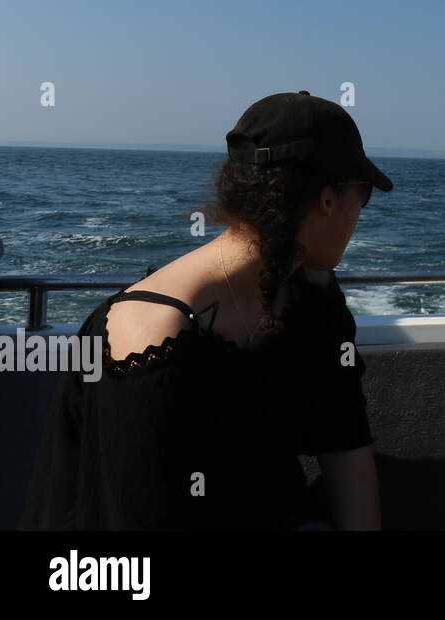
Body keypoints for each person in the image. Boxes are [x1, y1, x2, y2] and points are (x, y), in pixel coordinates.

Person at [20, 90, 391, 530]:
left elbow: (342, 434)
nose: (360, 211)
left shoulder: (309, 295)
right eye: (362, 193)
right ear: (328, 200)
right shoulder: (151, 336)